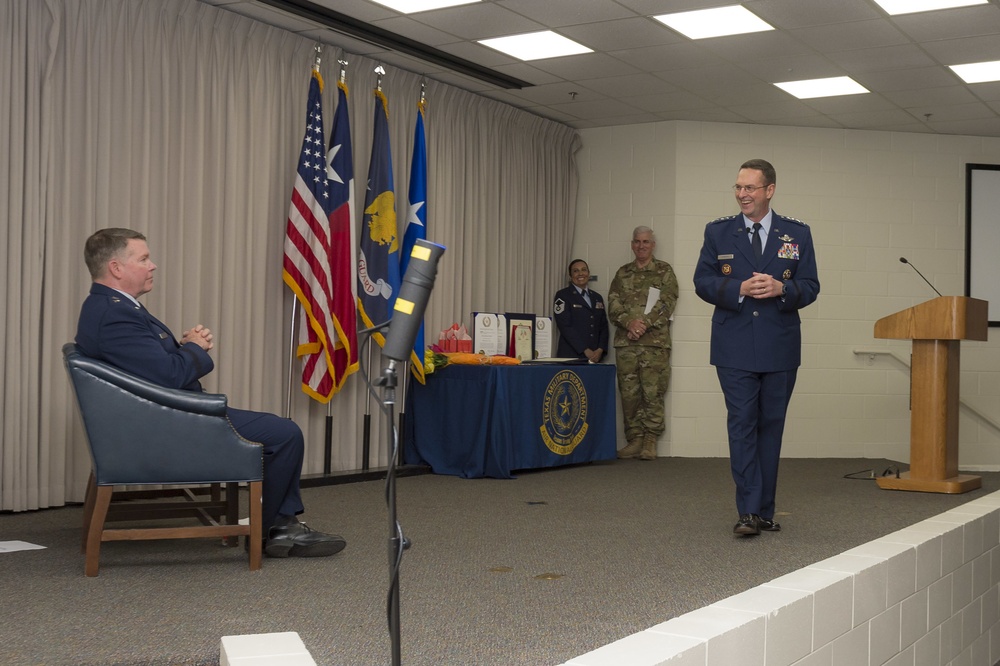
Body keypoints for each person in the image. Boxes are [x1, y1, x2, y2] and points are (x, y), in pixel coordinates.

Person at [75, 228, 346, 558]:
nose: (153, 265)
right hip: (173, 425)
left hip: (160, 416)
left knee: (278, 429)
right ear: (116, 268)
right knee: (284, 433)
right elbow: (170, 376)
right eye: (143, 258)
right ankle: (273, 528)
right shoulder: (115, 314)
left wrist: (184, 347)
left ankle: (278, 524)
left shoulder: (111, 307)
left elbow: (150, 369)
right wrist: (194, 349)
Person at [693, 159, 819, 537]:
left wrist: (784, 290)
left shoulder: (796, 233)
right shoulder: (719, 232)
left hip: (779, 346)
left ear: (770, 190)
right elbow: (702, 280)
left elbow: (811, 285)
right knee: (742, 424)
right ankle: (747, 511)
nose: (742, 195)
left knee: (770, 427)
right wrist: (737, 289)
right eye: (738, 188)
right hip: (734, 346)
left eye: (750, 188)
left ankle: (764, 510)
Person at [607, 226, 679, 461]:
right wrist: (630, 323)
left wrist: (643, 324)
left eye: (646, 242)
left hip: (654, 345)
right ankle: (634, 439)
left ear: (653, 245)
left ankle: (650, 440)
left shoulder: (663, 270)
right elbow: (613, 304)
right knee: (628, 394)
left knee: (653, 392)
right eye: (637, 242)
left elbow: (667, 302)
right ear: (632, 244)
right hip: (626, 344)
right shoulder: (622, 273)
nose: (641, 246)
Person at [553, 259, 609, 362]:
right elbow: (565, 326)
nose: (580, 273)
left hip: (595, 357)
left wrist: (600, 349)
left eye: (584, 270)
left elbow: (603, 326)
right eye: (576, 271)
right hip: (571, 356)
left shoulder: (597, 297)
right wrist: (584, 349)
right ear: (570, 275)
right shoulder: (563, 296)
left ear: (588, 273)